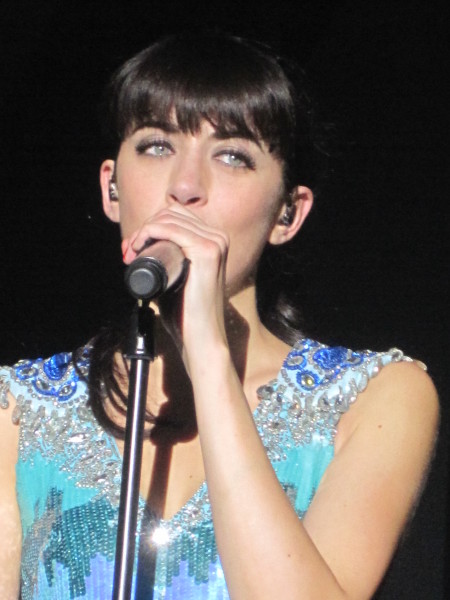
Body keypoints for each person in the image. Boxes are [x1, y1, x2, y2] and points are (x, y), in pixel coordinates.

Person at [0, 31, 438, 600]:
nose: (185, 187)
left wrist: (207, 352)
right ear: (111, 188)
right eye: (157, 146)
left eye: (233, 156)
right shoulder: (18, 411)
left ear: (287, 214)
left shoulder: (377, 398)